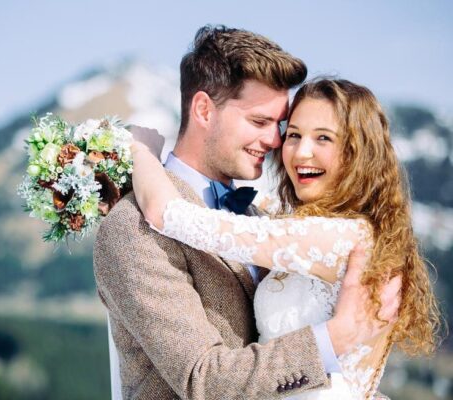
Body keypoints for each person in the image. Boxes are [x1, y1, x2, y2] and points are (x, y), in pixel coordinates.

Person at [93, 25, 401, 399]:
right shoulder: (133, 226)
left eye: (279, 125)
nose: (275, 142)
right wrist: (335, 338)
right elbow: (202, 379)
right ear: (204, 110)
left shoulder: (259, 218)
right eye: (260, 122)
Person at [130, 78, 441, 398]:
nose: (301, 152)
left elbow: (167, 213)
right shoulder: (348, 231)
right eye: (293, 135)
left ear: (358, 153)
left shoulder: (338, 237)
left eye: (324, 138)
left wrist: (141, 150)